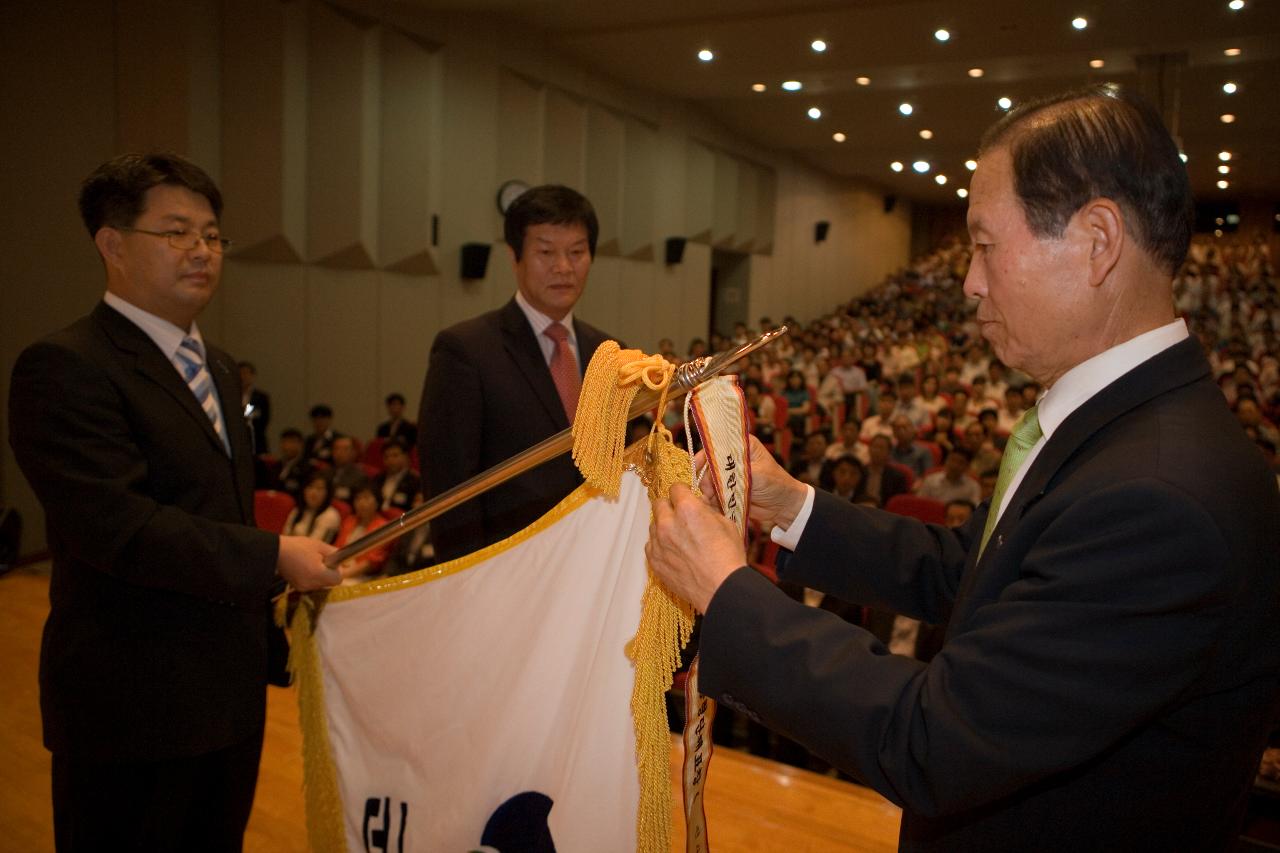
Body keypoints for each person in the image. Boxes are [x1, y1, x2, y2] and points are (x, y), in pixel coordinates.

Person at [646, 87, 1280, 850]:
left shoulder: (1159, 495)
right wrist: (787, 503)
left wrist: (727, 591)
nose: (970, 281)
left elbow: (934, 740)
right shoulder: (1123, 430)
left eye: (984, 245)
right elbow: (971, 573)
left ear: (1097, 241)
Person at [7, 153, 340, 851]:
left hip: (226, 696)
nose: (203, 252)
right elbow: (117, 527)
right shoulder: (66, 365)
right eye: (177, 233)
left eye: (213, 236)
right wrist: (273, 554)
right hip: (132, 705)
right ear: (112, 244)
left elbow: (221, 509)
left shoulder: (216, 364)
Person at [418, 185, 616, 563]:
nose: (564, 267)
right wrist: (469, 580)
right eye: (545, 252)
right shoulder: (466, 351)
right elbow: (448, 493)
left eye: (577, 252)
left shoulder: (609, 353)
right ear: (514, 257)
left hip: (595, 566)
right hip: (509, 569)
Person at [333, 484, 391, 580]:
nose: (361, 503)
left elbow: (370, 563)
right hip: (339, 569)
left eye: (366, 498)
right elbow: (336, 549)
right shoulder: (349, 520)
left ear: (377, 502)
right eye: (358, 498)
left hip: (362, 577)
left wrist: (340, 575)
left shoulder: (383, 527)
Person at [282, 472, 342, 543]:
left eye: (319, 489)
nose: (313, 492)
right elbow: (285, 535)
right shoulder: (298, 509)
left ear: (327, 493)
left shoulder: (330, 516)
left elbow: (315, 545)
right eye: (310, 487)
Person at [915, 447, 982, 505]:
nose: (954, 465)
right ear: (946, 461)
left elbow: (975, 510)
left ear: (967, 467)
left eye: (960, 462)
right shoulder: (931, 480)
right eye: (952, 460)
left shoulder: (973, 487)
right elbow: (920, 504)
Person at [373, 438, 422, 513]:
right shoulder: (377, 479)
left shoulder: (415, 481)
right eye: (386, 456)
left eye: (395, 455)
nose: (390, 460)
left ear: (406, 456)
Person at [238, 360, 271, 454]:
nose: (243, 377)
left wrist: (246, 411)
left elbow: (263, 417)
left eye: (245, 373)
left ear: (252, 376)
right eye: (240, 373)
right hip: (237, 439)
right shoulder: (232, 396)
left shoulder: (261, 397)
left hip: (256, 440)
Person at [328, 434, 369, 504]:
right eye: (336, 448)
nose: (339, 452)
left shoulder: (359, 477)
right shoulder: (324, 473)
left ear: (353, 453)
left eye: (345, 449)